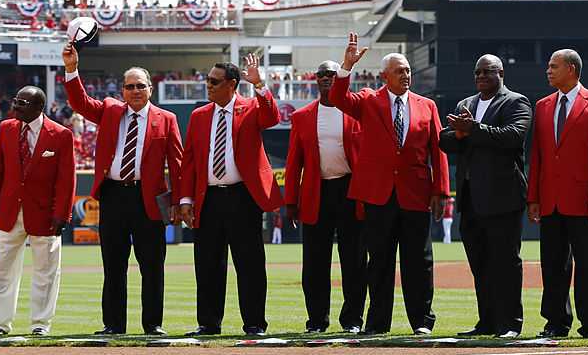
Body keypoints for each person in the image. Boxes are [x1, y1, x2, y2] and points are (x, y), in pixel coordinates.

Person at [329, 33, 450, 335]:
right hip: (378, 195)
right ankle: (378, 323)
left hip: (415, 193)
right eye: (399, 71)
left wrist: (441, 191)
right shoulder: (369, 101)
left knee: (418, 262)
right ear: (385, 76)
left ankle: (422, 321)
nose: (406, 75)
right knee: (379, 262)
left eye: (408, 70)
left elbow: (438, 150)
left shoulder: (426, 106)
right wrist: (346, 66)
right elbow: (337, 99)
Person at [63, 43, 183, 336]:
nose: (135, 91)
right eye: (129, 86)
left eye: (140, 86)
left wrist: (180, 201)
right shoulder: (109, 110)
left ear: (150, 89)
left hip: (149, 199)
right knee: (113, 265)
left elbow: (177, 164)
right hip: (114, 194)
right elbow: (79, 103)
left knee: (152, 265)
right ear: (122, 90)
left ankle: (153, 325)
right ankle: (113, 325)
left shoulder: (166, 119)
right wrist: (71, 69)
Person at [178, 55, 282, 336]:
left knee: (249, 263)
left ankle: (254, 324)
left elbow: (273, 117)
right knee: (208, 264)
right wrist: (186, 200)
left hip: (243, 197)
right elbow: (189, 163)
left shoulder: (250, 108)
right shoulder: (200, 116)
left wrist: (259, 84)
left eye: (214, 81)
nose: (208, 86)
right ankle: (209, 323)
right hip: (208, 198)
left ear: (232, 85)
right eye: (207, 80)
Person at [439, 55, 532, 339]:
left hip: (503, 197)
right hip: (470, 199)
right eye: (477, 72)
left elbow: (512, 136)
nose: (480, 76)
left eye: (487, 71)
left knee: (505, 262)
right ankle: (487, 322)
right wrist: (460, 132)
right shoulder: (465, 105)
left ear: (501, 73)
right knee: (480, 263)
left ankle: (511, 323)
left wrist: (472, 130)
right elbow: (445, 140)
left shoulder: (516, 102)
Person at [527, 49, 588, 339]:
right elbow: (538, 156)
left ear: (572, 70)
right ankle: (556, 321)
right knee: (552, 265)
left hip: (584, 202)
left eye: (554, 66)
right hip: (550, 200)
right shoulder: (542, 106)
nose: (548, 71)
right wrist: (534, 198)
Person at [0, 85, 76, 337]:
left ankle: (40, 324)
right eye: (16, 101)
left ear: (39, 107)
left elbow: (66, 179)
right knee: (2, 269)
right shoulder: (6, 128)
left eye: (22, 103)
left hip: (45, 214)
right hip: (9, 211)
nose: (16, 107)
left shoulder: (61, 135)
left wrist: (62, 214)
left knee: (46, 271)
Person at [284, 60, 366, 334]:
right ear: (315, 80)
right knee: (315, 262)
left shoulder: (356, 112)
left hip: (351, 191)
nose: (327, 78)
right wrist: (290, 202)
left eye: (332, 74)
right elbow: (294, 162)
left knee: (353, 260)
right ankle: (317, 321)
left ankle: (352, 320)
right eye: (322, 74)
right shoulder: (303, 116)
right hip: (316, 192)